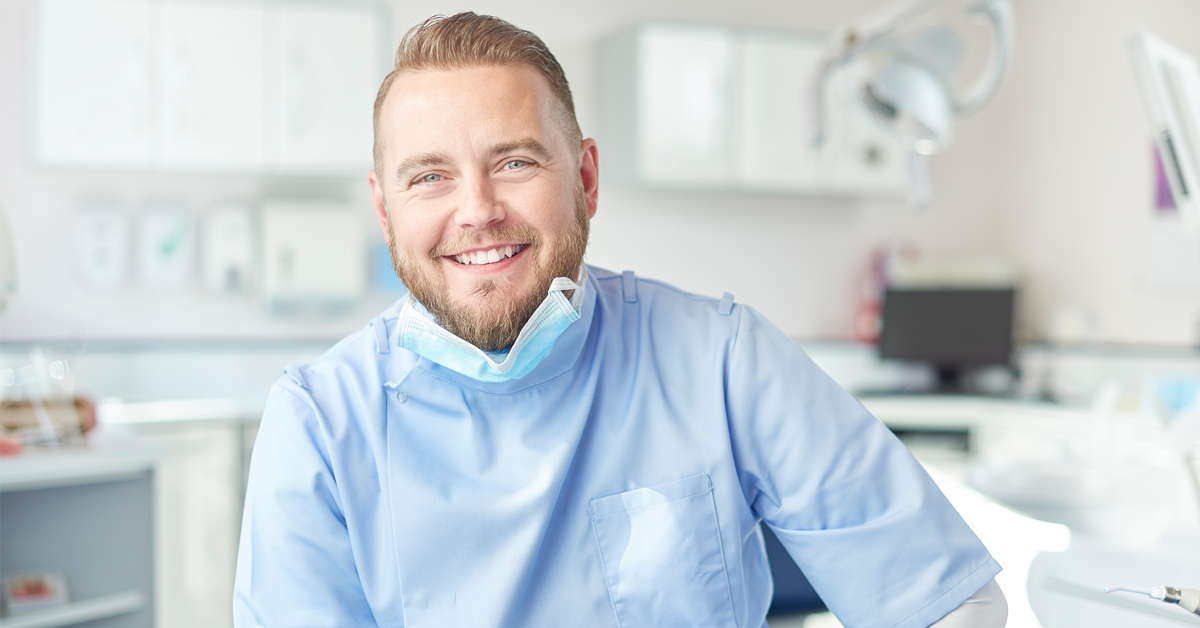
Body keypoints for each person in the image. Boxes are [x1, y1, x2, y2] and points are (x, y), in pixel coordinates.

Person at [234, 13, 1007, 628]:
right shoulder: (320, 426)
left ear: (587, 179)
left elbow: (943, 600)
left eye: (514, 162)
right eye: (430, 176)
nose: (476, 210)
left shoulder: (722, 361)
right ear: (384, 208)